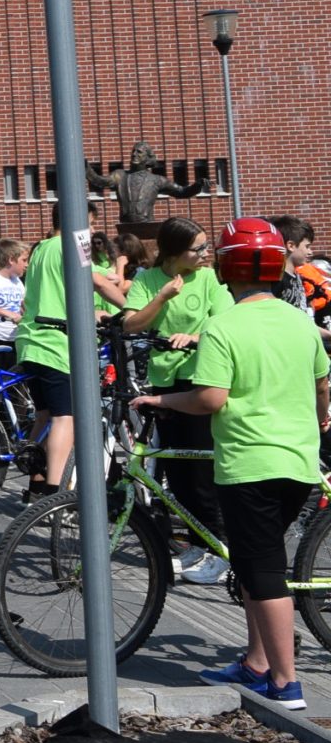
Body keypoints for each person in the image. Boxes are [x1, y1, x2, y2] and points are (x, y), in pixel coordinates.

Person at [134, 219, 329, 710]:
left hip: (249, 462)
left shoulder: (224, 326)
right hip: (299, 461)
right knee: (252, 562)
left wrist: (162, 399)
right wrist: (320, 418)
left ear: (226, 268)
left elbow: (209, 399)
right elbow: (322, 385)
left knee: (264, 573)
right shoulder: (299, 322)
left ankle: (286, 684)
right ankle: (256, 663)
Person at [123, 218, 229, 586]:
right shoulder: (148, 280)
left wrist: (195, 336)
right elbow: (131, 325)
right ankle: (198, 544)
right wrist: (163, 297)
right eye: (197, 248)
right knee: (177, 469)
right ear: (173, 252)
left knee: (201, 472)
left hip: (200, 379)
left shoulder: (209, 278)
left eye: (205, 246)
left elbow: (225, 322)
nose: (205, 254)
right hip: (164, 380)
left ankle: (220, 549)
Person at [11, 228, 133, 497]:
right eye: (91, 224)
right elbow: (98, 282)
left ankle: (35, 485)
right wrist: (133, 314)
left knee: (43, 416)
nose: (92, 232)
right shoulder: (72, 243)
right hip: (56, 344)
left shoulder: (41, 248)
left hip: (31, 340)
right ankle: (55, 494)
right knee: (65, 418)